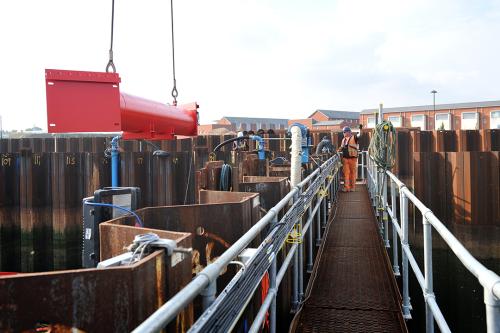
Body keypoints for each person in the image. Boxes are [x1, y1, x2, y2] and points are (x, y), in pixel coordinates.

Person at [338, 125, 363, 192]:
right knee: (346, 173)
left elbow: (359, 135)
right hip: (345, 159)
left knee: (353, 173)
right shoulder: (343, 140)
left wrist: (360, 128)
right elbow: (341, 148)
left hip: (353, 159)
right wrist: (337, 151)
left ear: (348, 132)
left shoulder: (354, 137)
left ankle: (352, 187)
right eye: (343, 132)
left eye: (344, 132)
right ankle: (346, 188)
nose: (343, 133)